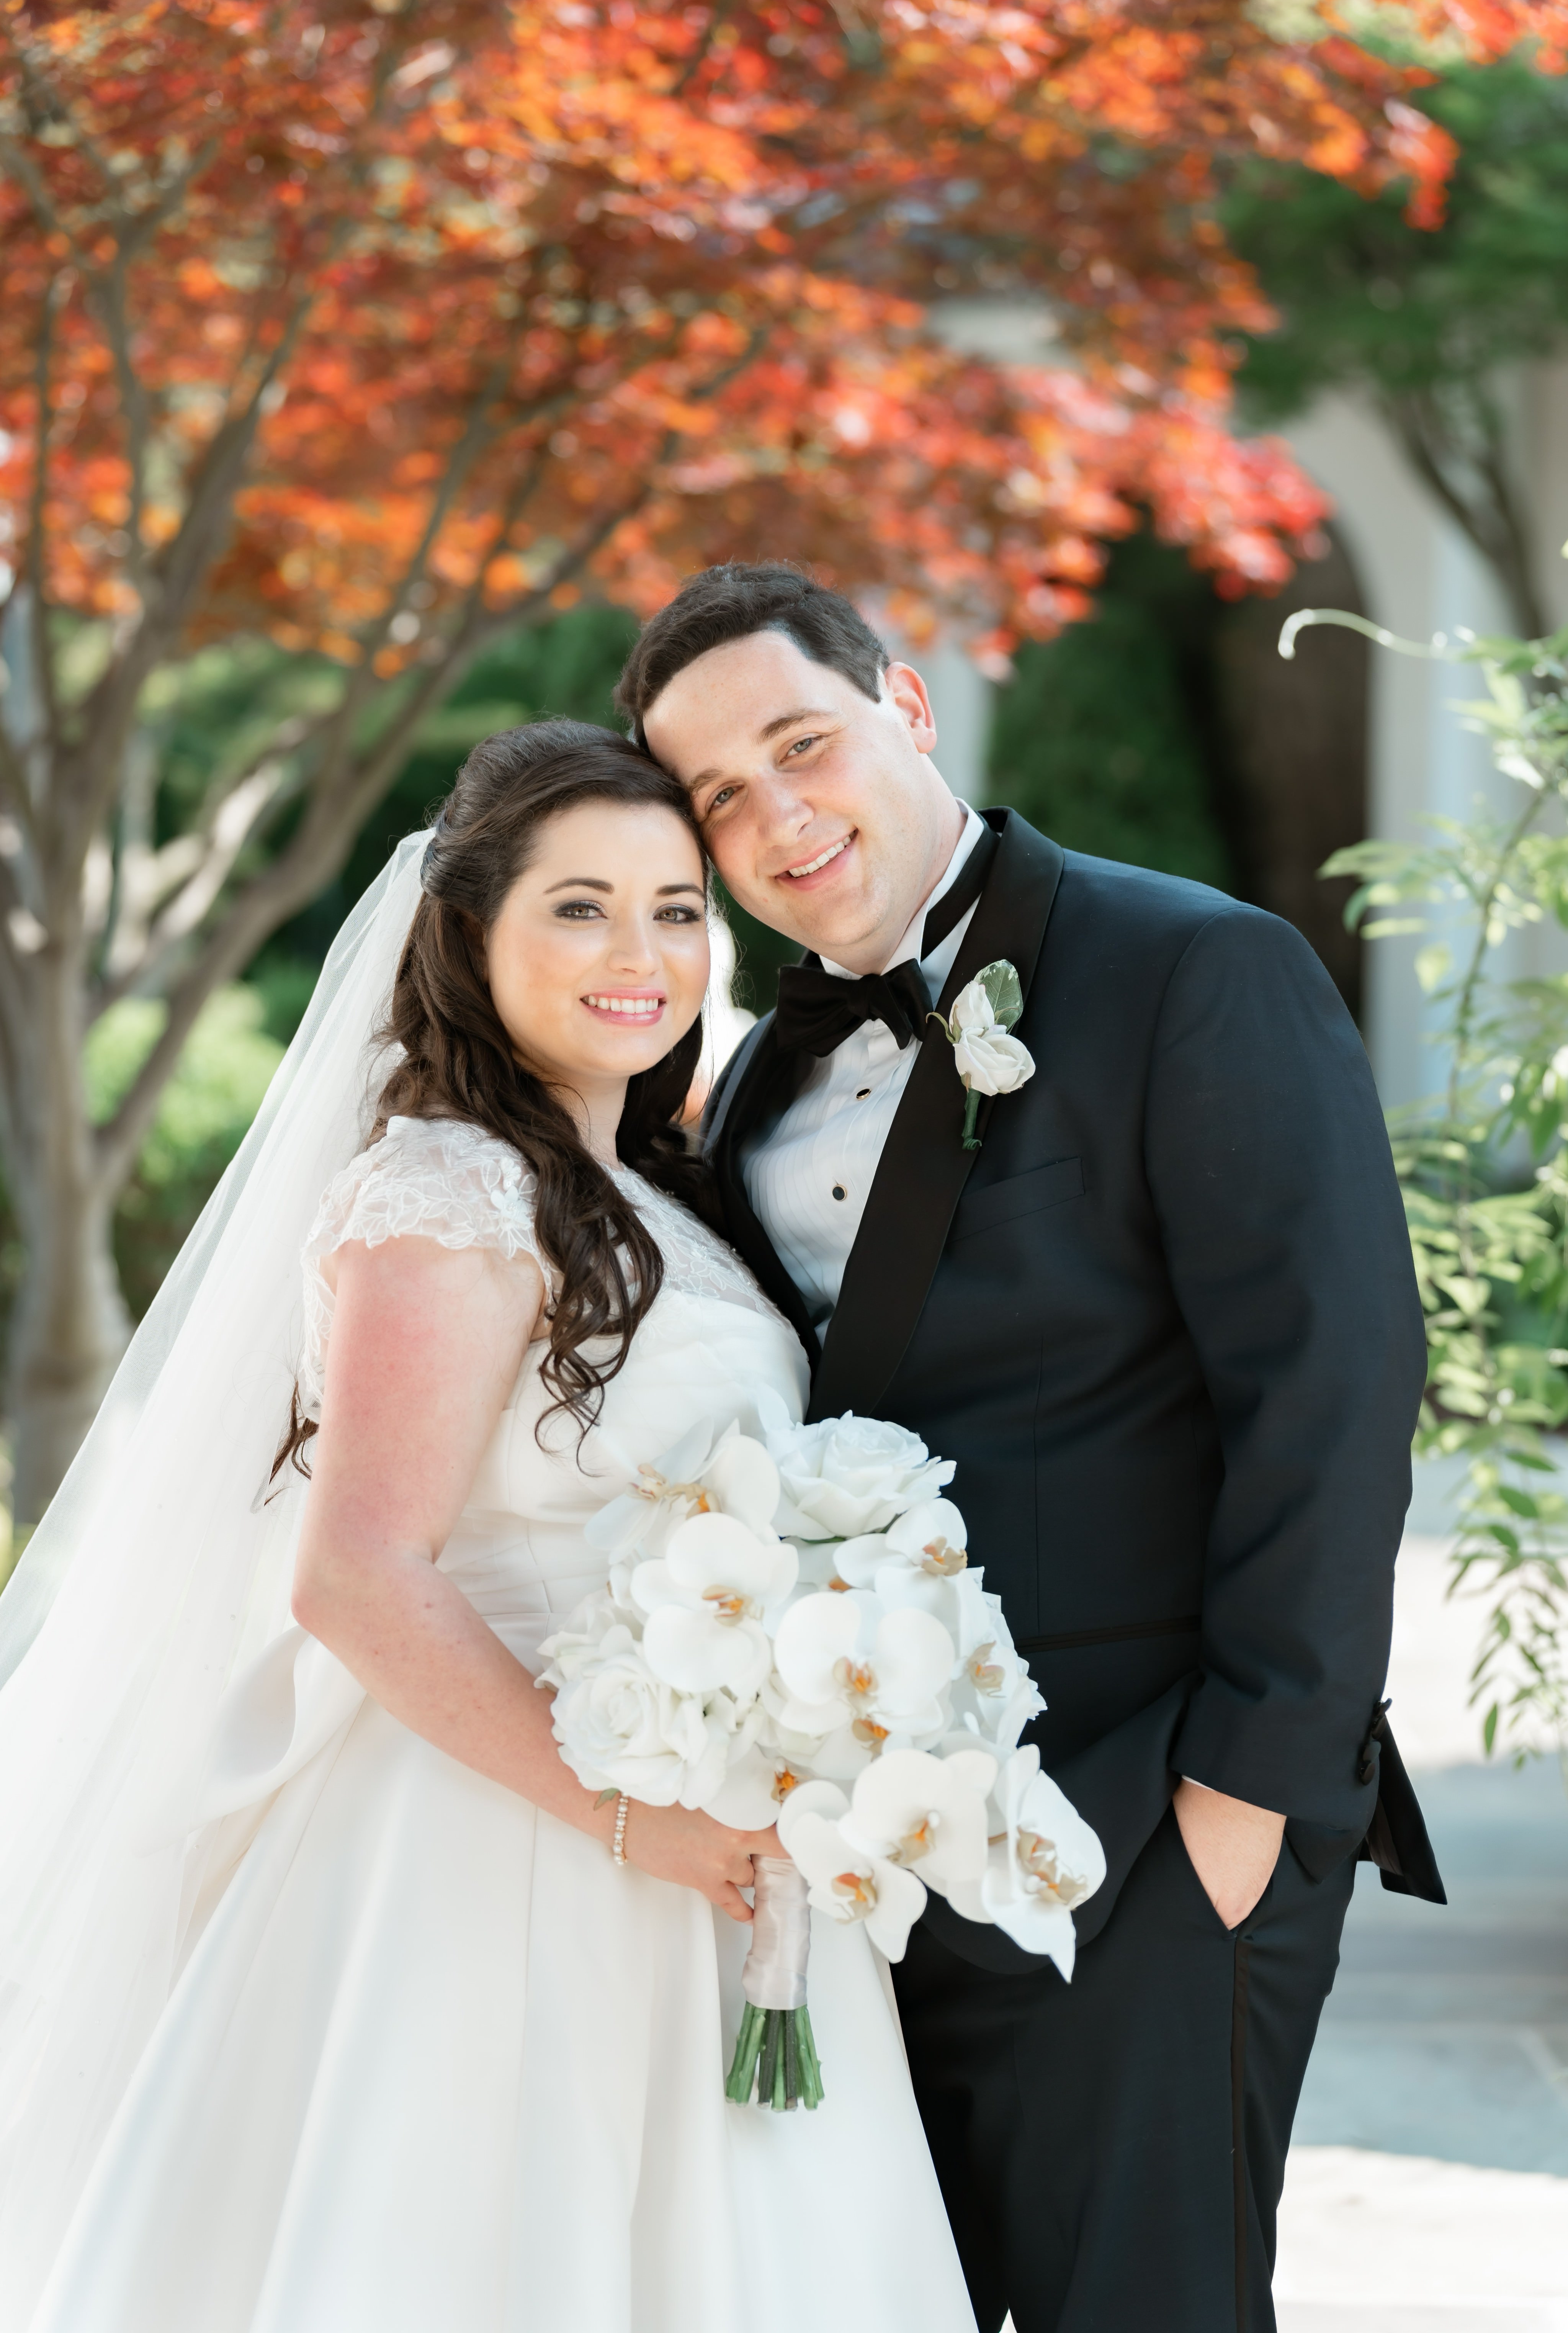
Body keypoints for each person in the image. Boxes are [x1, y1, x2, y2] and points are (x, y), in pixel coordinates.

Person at [0, 724, 979, 2333]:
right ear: (469, 935)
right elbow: (358, 1573)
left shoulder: (654, 1186)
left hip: (706, 1855)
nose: (641, 952)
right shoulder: (447, 1191)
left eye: (676, 907)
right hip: (494, 1845)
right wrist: (627, 1826)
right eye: (579, 908)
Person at [620, 561, 1446, 2333]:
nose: (780, 817)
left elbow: (1333, 1391)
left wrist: (1241, 1804)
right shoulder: (755, 1076)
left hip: (1150, 1830)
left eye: (803, 745)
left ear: (905, 708)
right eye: (719, 799)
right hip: (878, 1859)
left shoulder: (1196, 969)